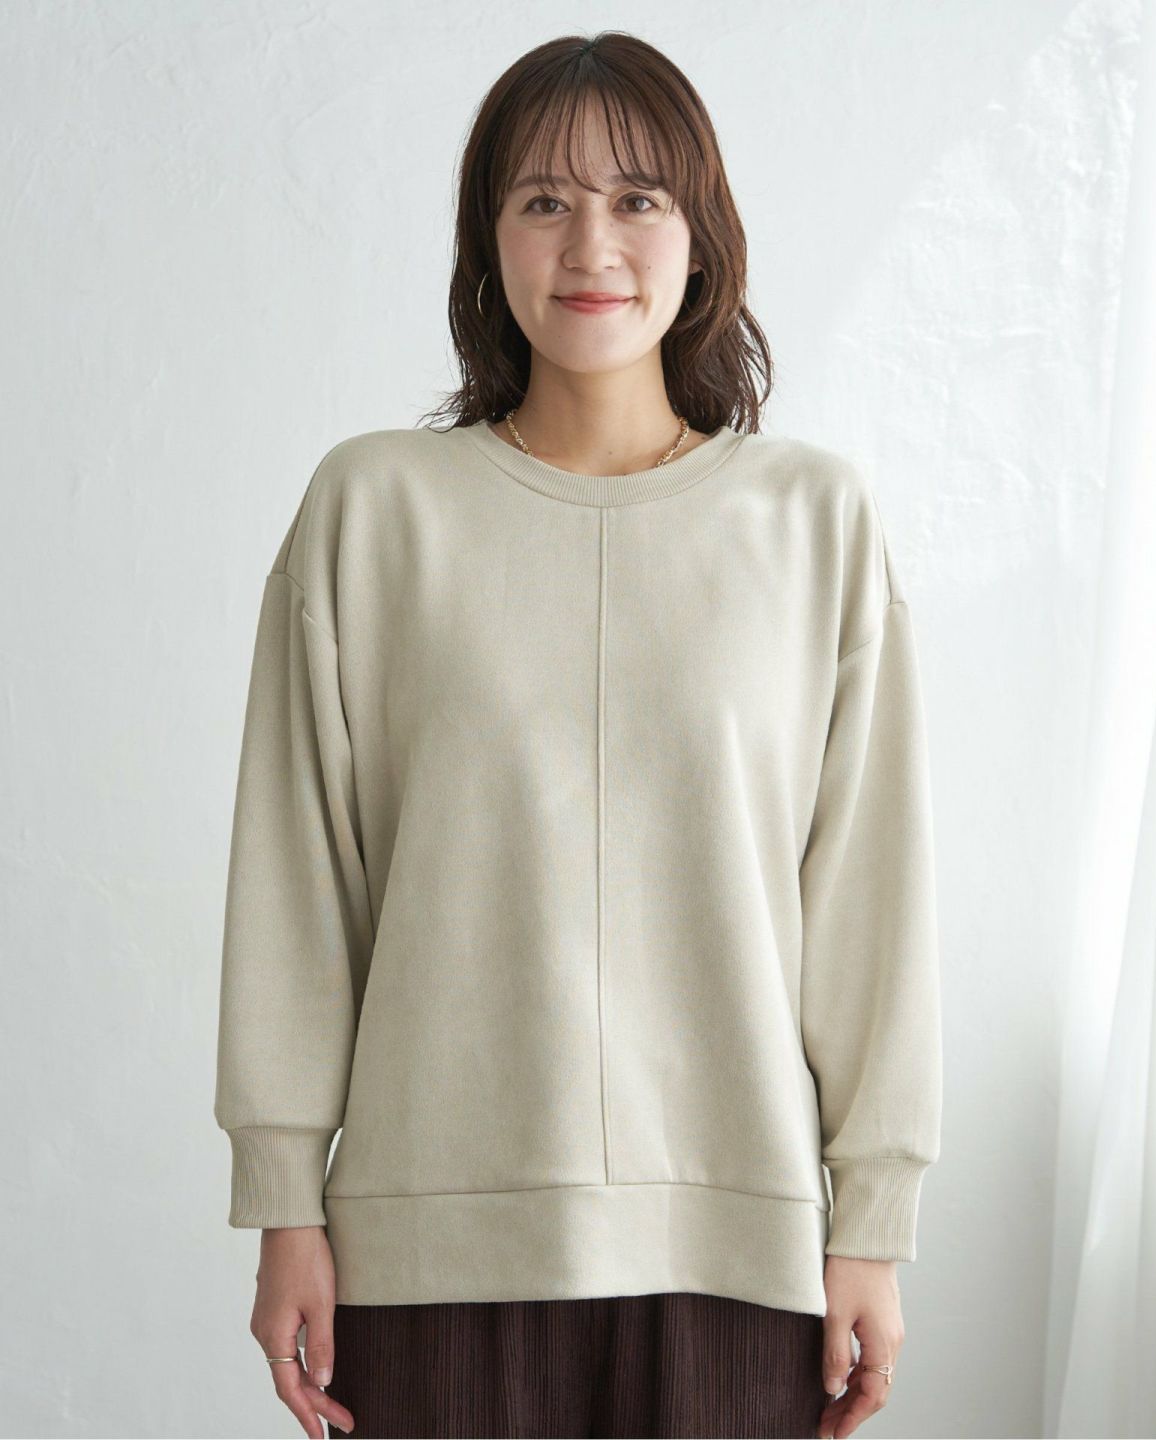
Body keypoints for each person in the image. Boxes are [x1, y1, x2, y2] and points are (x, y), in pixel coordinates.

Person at [214, 30, 942, 1440]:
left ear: (700, 234)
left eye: (637, 198)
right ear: (487, 240)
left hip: (740, 1254)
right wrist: (284, 1197)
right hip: (426, 1249)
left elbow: (868, 897)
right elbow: (299, 877)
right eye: (542, 199)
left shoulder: (813, 523)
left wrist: (874, 1220)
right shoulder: (373, 511)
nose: (590, 244)